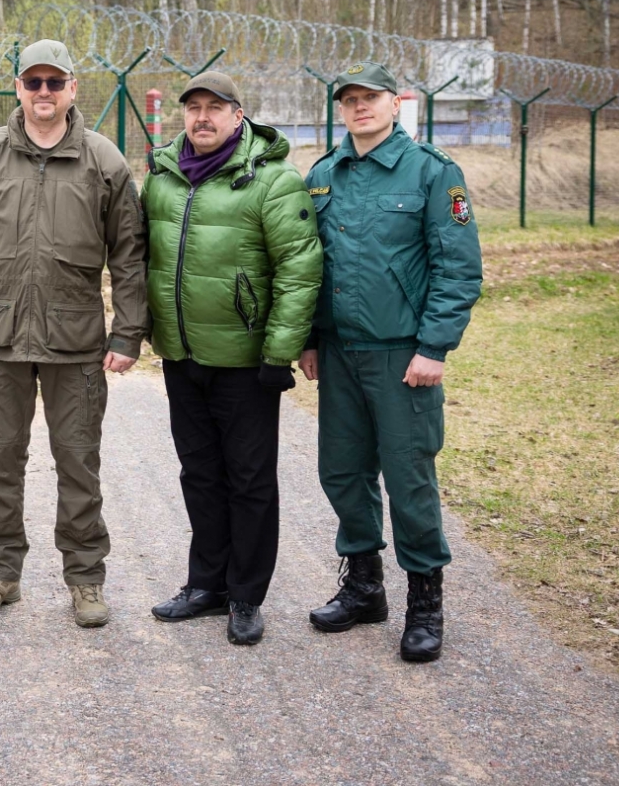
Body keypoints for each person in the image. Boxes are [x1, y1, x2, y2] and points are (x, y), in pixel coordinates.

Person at [0, 39, 150, 628]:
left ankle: (86, 580)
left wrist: (126, 333)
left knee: (79, 464)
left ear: (71, 89)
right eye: (33, 83)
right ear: (18, 88)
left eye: (54, 83)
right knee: (0, 463)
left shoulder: (103, 160)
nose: (43, 93)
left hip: (76, 341)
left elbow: (130, 255)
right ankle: (0, 574)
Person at [299, 61, 482, 663]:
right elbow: (308, 266)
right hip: (340, 351)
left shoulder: (432, 172)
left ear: (395, 103)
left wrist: (434, 347)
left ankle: (424, 602)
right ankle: (364, 587)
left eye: (370, 97)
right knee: (342, 471)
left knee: (408, 478)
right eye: (348, 98)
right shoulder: (324, 174)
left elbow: (457, 266)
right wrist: (308, 338)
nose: (359, 107)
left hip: (403, 354)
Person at [140, 73, 322, 645]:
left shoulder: (271, 181)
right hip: (182, 354)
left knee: (248, 480)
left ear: (238, 115)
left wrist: (279, 352)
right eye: (192, 108)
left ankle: (245, 595)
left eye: (214, 108)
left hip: (246, 362)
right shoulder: (164, 179)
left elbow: (299, 267)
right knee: (199, 474)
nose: (202, 118)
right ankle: (206, 585)